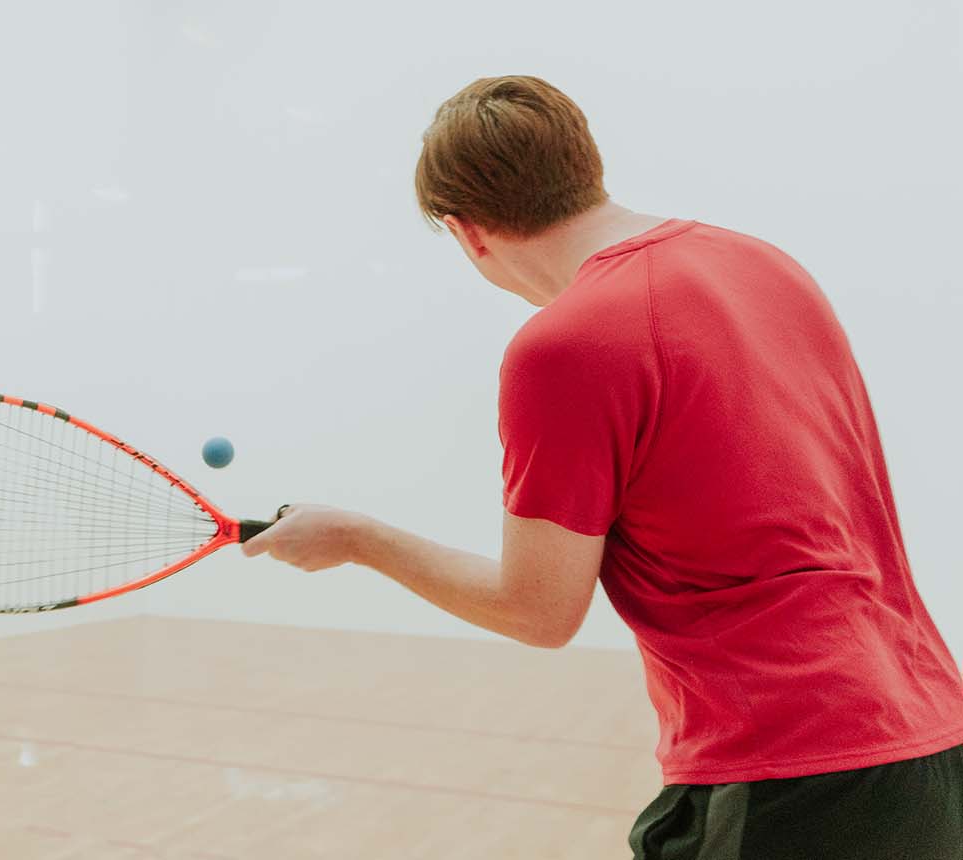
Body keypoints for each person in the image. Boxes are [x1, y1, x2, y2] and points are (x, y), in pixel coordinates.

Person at [244, 76, 963, 857]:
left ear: (466, 232)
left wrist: (356, 537)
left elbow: (538, 610)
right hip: (930, 733)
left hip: (790, 772)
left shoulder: (564, 347)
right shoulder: (766, 266)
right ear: (583, 164)